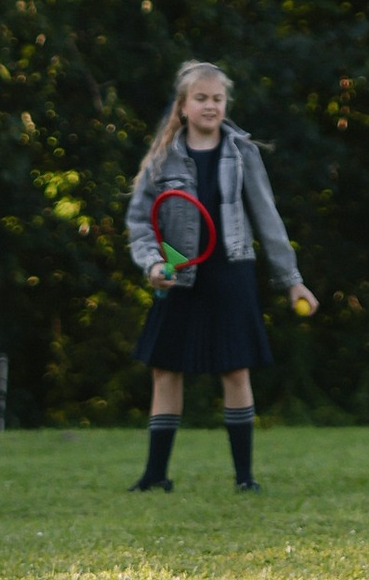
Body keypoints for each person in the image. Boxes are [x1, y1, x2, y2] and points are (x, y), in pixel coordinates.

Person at [125, 60, 316, 495]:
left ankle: (245, 478)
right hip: (178, 270)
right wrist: (155, 264)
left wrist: (292, 280)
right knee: (165, 371)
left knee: (235, 370)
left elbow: (267, 219)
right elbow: (140, 224)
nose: (211, 106)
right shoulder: (162, 157)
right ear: (184, 106)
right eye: (201, 98)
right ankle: (156, 475)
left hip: (232, 269)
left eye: (217, 99)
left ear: (225, 104)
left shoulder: (242, 151)